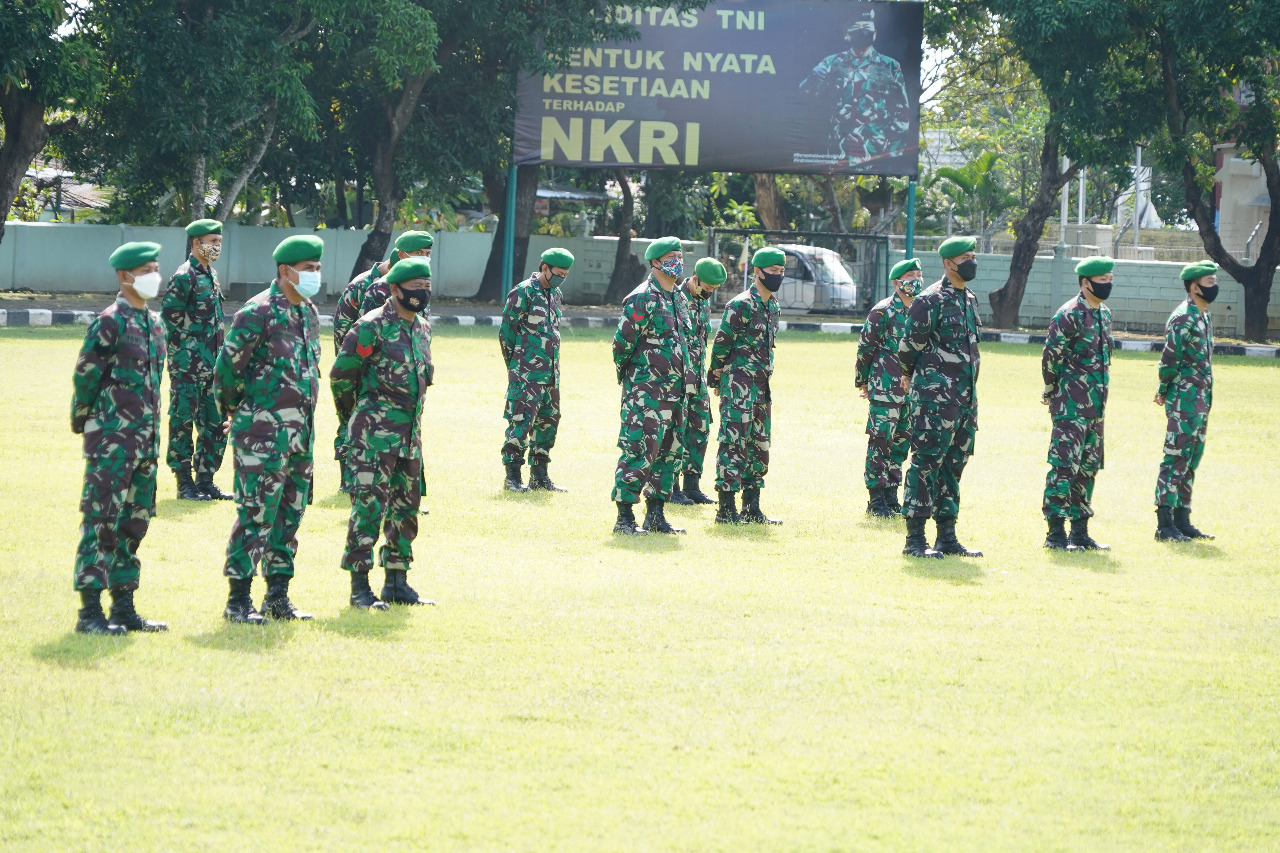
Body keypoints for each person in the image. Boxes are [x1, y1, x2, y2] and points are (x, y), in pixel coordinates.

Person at [214, 235, 324, 623]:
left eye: (317, 267)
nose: (315, 274)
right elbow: (227, 371)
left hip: (301, 436)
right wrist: (237, 411)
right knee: (255, 514)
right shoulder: (257, 312)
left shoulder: (308, 312)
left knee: (289, 517)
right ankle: (237, 600)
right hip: (261, 436)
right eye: (308, 268)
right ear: (285, 271)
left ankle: (278, 597)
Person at [69, 241, 169, 634]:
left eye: (155, 269)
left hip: (145, 443)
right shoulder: (110, 321)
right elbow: (86, 375)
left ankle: (124, 607)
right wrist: (85, 422)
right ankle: (89, 613)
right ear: (125, 276)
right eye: (146, 271)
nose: (153, 276)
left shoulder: (155, 324)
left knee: (133, 523)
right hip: (111, 442)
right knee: (100, 523)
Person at [331, 257, 435, 609]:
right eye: (416, 287)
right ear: (394, 289)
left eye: (426, 286)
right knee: (369, 510)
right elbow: (342, 378)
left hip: (409, 436)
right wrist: (354, 420)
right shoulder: (368, 327)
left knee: (406, 510)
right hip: (372, 436)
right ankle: (360, 587)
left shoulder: (422, 328)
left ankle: (396, 581)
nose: (423, 293)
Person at [897, 236, 983, 558]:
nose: (971, 262)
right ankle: (915, 539)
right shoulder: (929, 300)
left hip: (965, 400)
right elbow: (908, 347)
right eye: (965, 257)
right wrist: (909, 375)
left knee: (953, 466)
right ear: (949, 264)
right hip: (934, 400)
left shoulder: (969, 299)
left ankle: (947, 535)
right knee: (925, 464)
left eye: (973, 256)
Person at [611, 236, 692, 535]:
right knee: (638, 451)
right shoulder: (642, 297)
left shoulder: (679, 298)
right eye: (672, 256)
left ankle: (656, 515)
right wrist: (635, 380)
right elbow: (621, 345)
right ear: (656, 262)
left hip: (676, 393)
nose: (679, 263)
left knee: (669, 455)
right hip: (646, 393)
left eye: (681, 257)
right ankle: (624, 519)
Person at [1041, 256, 1116, 551]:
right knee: (1063, 467)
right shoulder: (1068, 314)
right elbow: (1051, 358)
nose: (1108, 284)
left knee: (1088, 468)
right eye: (1103, 280)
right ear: (1086, 283)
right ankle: (1056, 534)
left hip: (1096, 408)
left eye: (1110, 279)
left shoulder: (1103, 314)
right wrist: (1052, 390)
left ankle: (1080, 532)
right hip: (1071, 406)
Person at [708, 247, 783, 525]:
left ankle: (752, 507)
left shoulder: (773, 305)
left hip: (762, 386)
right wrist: (716, 377)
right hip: (738, 384)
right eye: (772, 271)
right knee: (733, 443)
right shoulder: (740, 304)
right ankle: (726, 509)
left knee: (759, 444)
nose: (777, 275)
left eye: (780, 271)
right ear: (757, 272)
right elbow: (721, 343)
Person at [161, 218, 230, 501]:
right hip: (187, 366)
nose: (216, 247)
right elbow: (170, 320)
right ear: (196, 243)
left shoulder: (210, 275)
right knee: (182, 422)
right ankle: (183, 482)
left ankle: (206, 480)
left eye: (219, 242)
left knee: (215, 423)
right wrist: (182, 356)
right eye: (212, 241)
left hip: (213, 365)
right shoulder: (184, 276)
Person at [499, 248, 573, 493]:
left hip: (551, 373)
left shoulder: (556, 294)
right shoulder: (523, 292)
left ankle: (540, 476)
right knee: (520, 421)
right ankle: (513, 478)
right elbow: (507, 333)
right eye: (558, 273)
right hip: (526, 373)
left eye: (565, 274)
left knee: (548, 422)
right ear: (544, 268)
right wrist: (517, 365)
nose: (562, 278)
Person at [1154, 261, 1219, 542]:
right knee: (1176, 457)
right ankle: (1164, 523)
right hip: (1184, 399)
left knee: (1191, 459)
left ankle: (1183, 519)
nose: (1214, 286)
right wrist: (1163, 387)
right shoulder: (1183, 317)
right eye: (1209, 281)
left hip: (1201, 399)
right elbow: (1169, 358)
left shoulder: (1203, 316)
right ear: (1195, 287)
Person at [799, 8, 912, 169]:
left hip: (875, 154)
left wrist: (893, 154)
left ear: (875, 33)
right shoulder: (831, 63)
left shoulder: (890, 66)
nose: (863, 32)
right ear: (847, 34)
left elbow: (903, 114)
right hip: (835, 152)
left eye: (868, 27)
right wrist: (813, 79)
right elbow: (802, 99)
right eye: (857, 28)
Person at [855, 257, 922, 519]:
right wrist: (862, 380)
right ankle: (876, 499)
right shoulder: (882, 311)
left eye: (918, 275)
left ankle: (892, 495)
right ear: (897, 283)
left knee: (901, 443)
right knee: (880, 441)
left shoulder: (921, 310)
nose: (916, 280)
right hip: (885, 387)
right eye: (910, 276)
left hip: (911, 390)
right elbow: (865, 348)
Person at [669, 257, 726, 506]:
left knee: (699, 430)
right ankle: (671, 488)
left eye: (714, 290)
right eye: (707, 288)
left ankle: (692, 486)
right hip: (678, 377)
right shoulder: (674, 299)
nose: (710, 293)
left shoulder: (703, 304)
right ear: (694, 279)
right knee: (675, 432)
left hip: (698, 377)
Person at [358, 231, 433, 316]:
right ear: (401, 254)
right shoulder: (381, 287)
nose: (424, 258)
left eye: (428, 254)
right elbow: (367, 324)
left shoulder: (423, 284)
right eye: (418, 253)